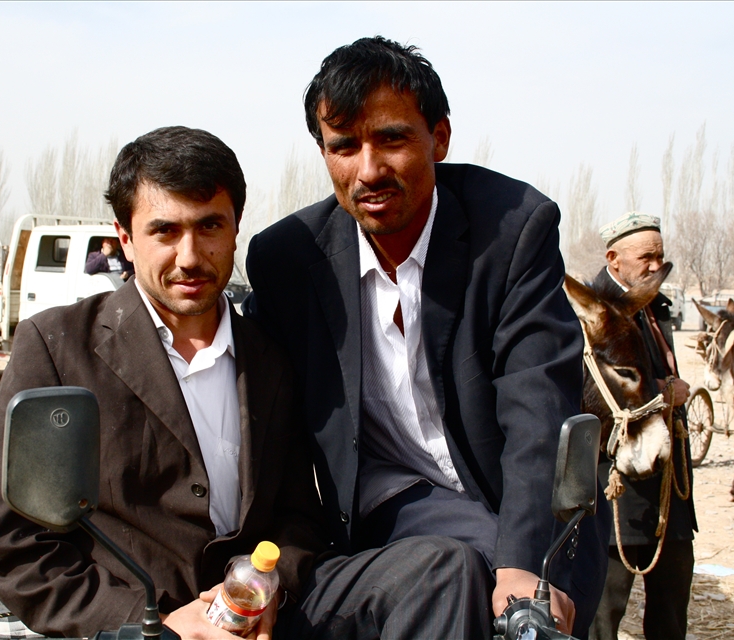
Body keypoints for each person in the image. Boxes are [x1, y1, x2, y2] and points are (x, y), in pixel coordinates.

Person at [0, 125, 486, 640]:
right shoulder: (58, 347)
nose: (191, 256)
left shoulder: (270, 353)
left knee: (446, 568)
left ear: (236, 228)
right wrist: (155, 622)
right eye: (165, 232)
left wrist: (269, 586)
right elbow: (15, 551)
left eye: (209, 227)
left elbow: (299, 517)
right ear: (126, 238)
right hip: (148, 624)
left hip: (268, 613)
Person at [243, 36, 609, 639]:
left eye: (391, 138)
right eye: (344, 146)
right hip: (392, 507)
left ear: (438, 137)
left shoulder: (512, 229)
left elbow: (537, 401)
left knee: (529, 610)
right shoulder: (288, 260)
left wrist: (518, 565)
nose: (368, 169)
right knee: (458, 573)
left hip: (517, 498)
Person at [587, 212, 696, 640]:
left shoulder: (656, 307)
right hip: (618, 491)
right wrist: (662, 392)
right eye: (646, 257)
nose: (656, 266)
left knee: (671, 607)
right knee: (604, 614)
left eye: (661, 256)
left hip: (671, 487)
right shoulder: (590, 314)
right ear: (613, 258)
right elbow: (588, 394)